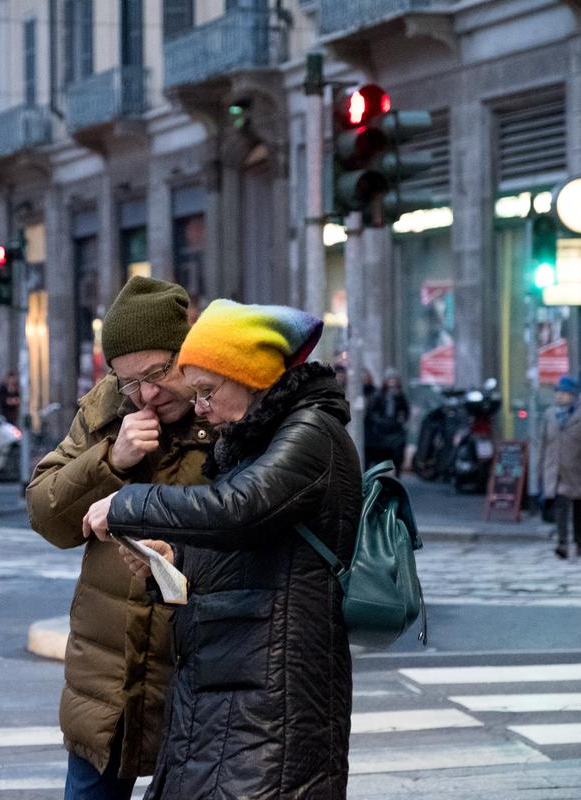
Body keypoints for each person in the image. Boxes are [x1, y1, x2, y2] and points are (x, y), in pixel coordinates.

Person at [83, 300, 362, 799]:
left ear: (250, 376)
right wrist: (171, 565)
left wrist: (128, 501)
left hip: (271, 698)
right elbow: (251, 550)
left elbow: (240, 508)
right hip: (228, 688)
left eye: (208, 391)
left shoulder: (310, 433)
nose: (202, 408)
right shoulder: (260, 439)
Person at [26, 276, 212, 800]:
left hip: (196, 673)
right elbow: (45, 514)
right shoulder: (107, 411)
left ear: (188, 353)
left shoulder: (225, 410)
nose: (147, 394)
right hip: (108, 676)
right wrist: (110, 460)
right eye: (130, 381)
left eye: (158, 373)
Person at [540, 376, 581, 559]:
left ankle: (579, 541)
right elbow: (543, 442)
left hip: (578, 468)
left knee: (579, 508)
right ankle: (562, 543)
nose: (561, 396)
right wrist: (541, 469)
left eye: (565, 393)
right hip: (557, 469)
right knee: (561, 505)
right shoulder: (550, 414)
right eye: (558, 392)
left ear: (574, 395)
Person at [366, 367, 410, 473]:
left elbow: (405, 411)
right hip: (382, 431)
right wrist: (380, 421)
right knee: (381, 456)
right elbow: (372, 411)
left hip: (395, 429)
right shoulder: (379, 395)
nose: (392, 383)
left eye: (394, 380)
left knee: (397, 455)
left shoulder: (400, 396)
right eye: (390, 380)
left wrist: (401, 420)